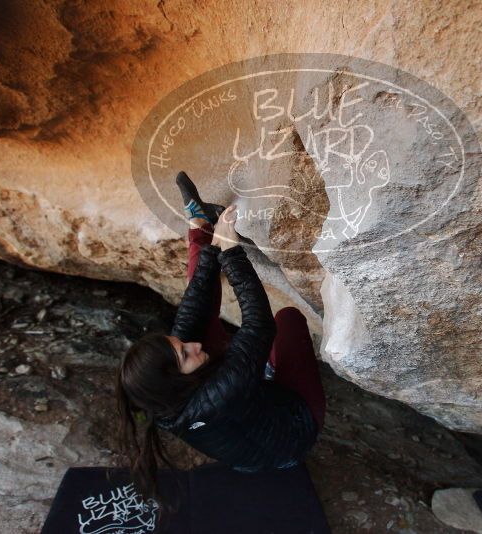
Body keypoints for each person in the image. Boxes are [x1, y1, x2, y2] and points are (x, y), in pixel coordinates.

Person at [115, 171, 327, 512]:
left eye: (178, 345)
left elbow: (193, 306)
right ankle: (270, 368)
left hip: (243, 426)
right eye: (185, 355)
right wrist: (231, 252)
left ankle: (199, 224)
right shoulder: (222, 392)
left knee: (197, 321)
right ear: (177, 377)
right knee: (287, 319)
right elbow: (258, 326)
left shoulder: (165, 398)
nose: (191, 346)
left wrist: (207, 239)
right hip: (294, 432)